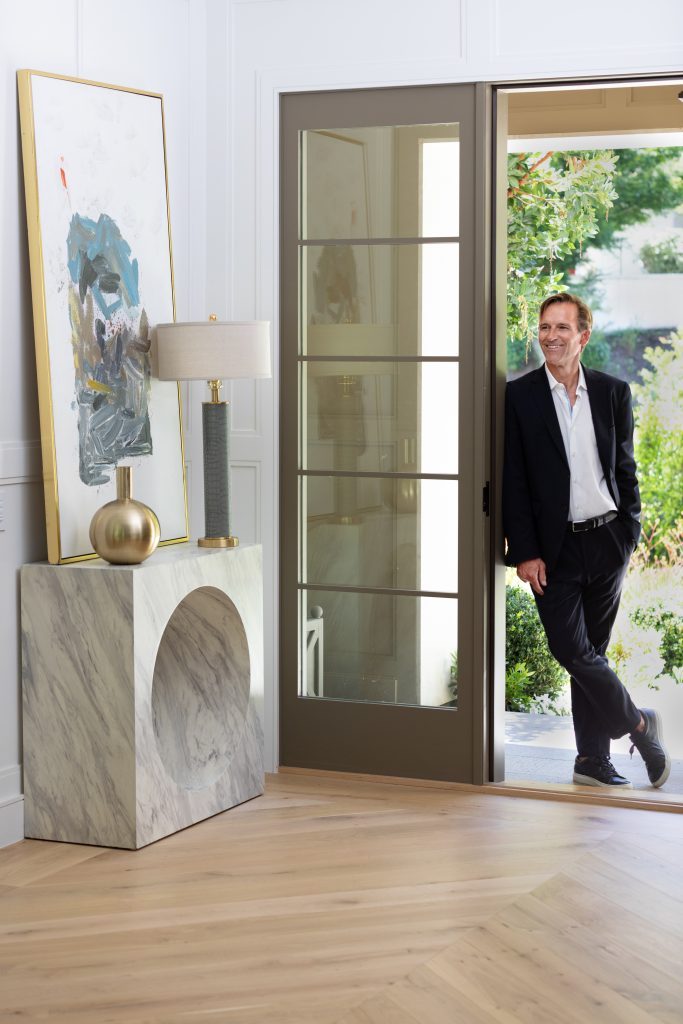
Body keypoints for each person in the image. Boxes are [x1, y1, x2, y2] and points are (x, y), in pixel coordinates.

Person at [503, 293, 670, 789]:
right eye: (544, 327)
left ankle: (591, 760)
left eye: (561, 327)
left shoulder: (613, 392)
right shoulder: (520, 396)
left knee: (592, 650)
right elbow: (514, 479)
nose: (550, 336)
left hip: (607, 539)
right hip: (553, 552)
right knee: (572, 650)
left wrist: (629, 531)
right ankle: (639, 727)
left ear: (583, 336)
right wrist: (526, 550)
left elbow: (624, 468)